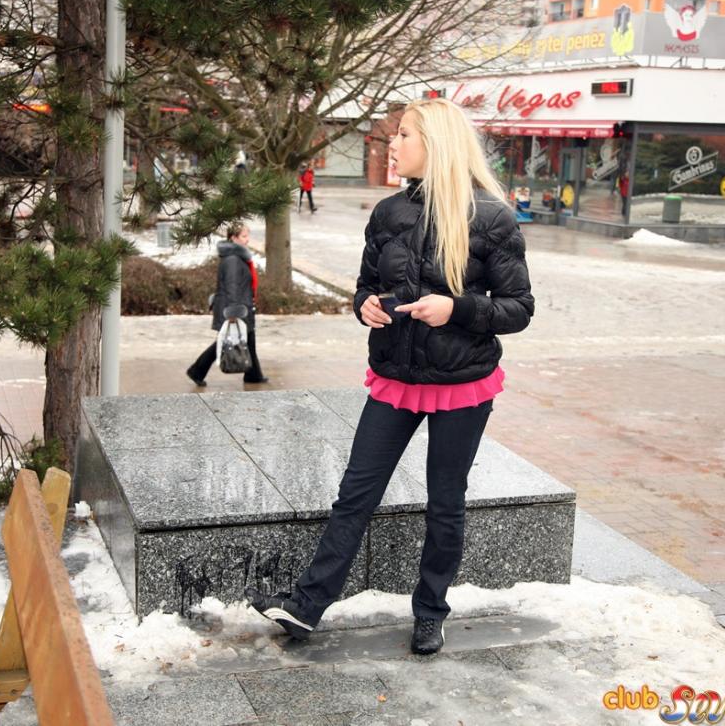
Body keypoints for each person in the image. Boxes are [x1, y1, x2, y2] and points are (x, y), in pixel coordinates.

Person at [246, 97, 534, 655]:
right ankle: (306, 607)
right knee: (355, 493)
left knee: (445, 502)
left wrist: (456, 309)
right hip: (395, 378)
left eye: (404, 135)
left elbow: (519, 308)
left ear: (436, 144)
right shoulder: (387, 214)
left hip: (461, 385)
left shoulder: (490, 217)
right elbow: (364, 286)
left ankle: (430, 611)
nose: (392, 145)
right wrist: (365, 307)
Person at [186, 222, 269, 386]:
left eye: (247, 236)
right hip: (235, 308)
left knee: (249, 339)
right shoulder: (233, 259)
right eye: (244, 236)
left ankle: (253, 375)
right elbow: (232, 286)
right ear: (233, 238)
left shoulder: (237, 257)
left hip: (242, 306)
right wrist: (233, 312)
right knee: (225, 341)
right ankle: (196, 371)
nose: (247, 240)